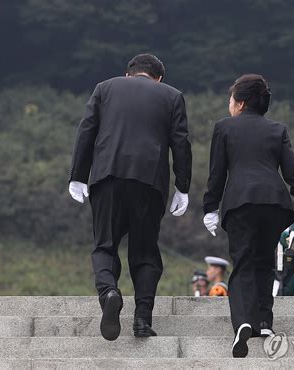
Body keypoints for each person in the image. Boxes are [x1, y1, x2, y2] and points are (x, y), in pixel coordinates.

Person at [68, 54, 192, 341]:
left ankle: (109, 291)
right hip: (149, 182)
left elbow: (86, 131)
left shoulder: (104, 88)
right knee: (145, 252)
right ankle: (142, 320)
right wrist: (182, 186)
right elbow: (181, 143)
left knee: (104, 246)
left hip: (107, 176)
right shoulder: (172, 96)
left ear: (128, 74)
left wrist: (77, 175)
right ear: (159, 78)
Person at [202, 74, 294, 358]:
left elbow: (217, 174)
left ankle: (243, 322)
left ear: (240, 103)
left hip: (240, 202)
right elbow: (292, 170)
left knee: (242, 262)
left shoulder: (224, 128)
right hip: (275, 203)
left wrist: (210, 207)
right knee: (264, 261)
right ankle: (265, 322)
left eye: (231, 99)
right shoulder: (277, 129)